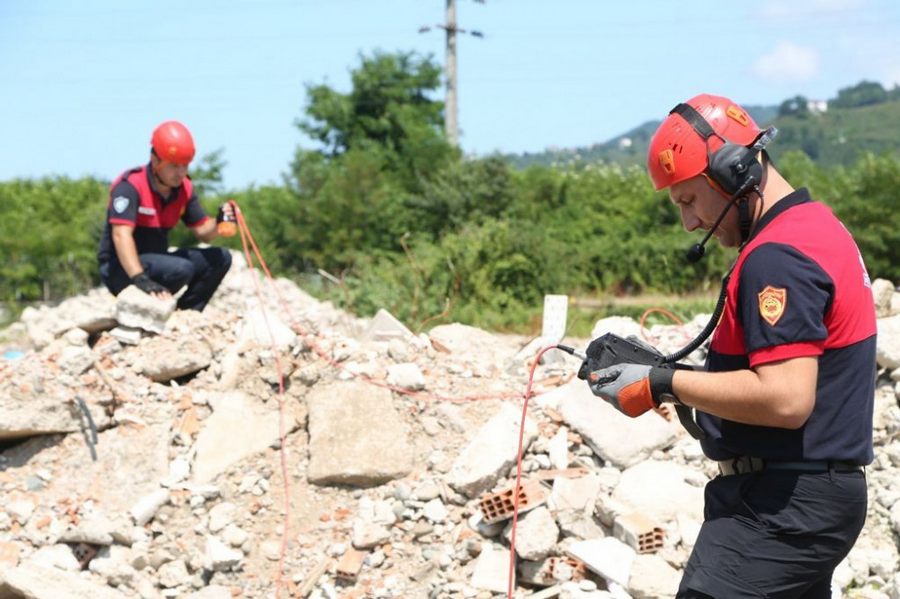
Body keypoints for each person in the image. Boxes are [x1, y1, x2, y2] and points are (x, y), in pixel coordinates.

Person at [586, 93, 876, 598]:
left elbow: (787, 398)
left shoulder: (777, 258)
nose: (690, 223)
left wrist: (664, 381)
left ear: (734, 170)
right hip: (806, 496)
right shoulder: (814, 228)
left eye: (689, 200)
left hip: (781, 505)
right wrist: (673, 385)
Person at [97, 120, 233, 311]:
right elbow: (121, 235)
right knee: (181, 268)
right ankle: (148, 304)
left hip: (156, 262)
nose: (180, 173)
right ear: (155, 160)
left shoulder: (183, 188)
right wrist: (139, 278)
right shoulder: (130, 186)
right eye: (174, 166)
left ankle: (188, 312)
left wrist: (219, 221)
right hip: (121, 269)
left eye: (185, 166)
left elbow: (203, 231)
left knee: (221, 257)